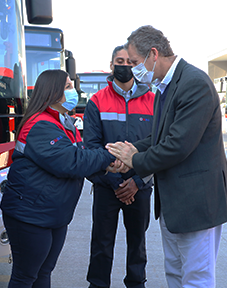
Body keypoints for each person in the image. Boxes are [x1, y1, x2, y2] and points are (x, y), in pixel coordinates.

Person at [106, 25, 227, 288]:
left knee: (196, 278)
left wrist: (134, 160)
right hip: (174, 203)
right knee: (176, 274)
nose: (132, 69)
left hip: (197, 202)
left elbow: (177, 145)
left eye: (134, 62)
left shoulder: (194, 83)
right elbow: (158, 139)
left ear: (153, 54)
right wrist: (125, 151)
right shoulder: (163, 87)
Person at [0, 69, 121, 287]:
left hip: (53, 213)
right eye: (67, 86)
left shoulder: (62, 122)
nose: (73, 90)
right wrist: (111, 154)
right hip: (31, 214)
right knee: (26, 276)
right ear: (52, 92)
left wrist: (108, 168)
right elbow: (71, 162)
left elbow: (80, 158)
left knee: (43, 272)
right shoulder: (40, 124)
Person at [84, 45, 155, 288]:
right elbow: (91, 147)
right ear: (111, 65)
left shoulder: (153, 101)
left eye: (129, 61)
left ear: (137, 66)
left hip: (140, 186)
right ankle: (98, 284)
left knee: (138, 242)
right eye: (119, 60)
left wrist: (137, 181)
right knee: (101, 244)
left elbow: (159, 147)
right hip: (106, 186)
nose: (124, 65)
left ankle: (136, 283)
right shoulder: (97, 101)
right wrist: (115, 182)